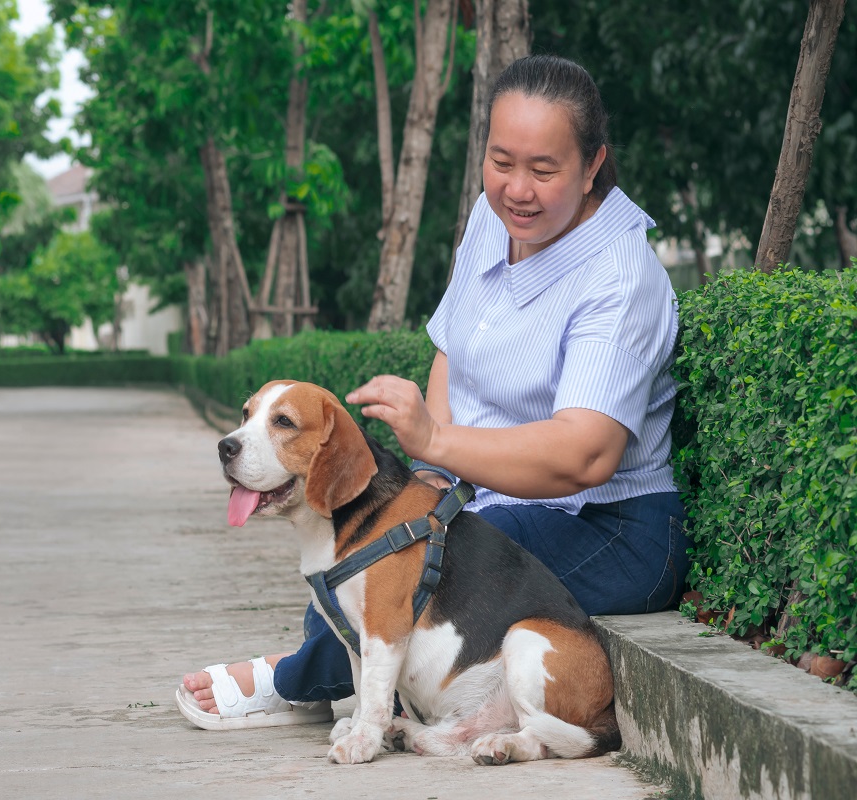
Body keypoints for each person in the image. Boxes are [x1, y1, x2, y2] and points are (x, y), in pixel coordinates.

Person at [177, 54, 689, 729]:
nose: (517, 189)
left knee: (424, 560)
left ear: (594, 164)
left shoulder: (620, 277)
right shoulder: (492, 218)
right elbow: (452, 347)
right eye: (501, 162)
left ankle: (291, 679)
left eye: (544, 169)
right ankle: (331, 674)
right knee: (376, 532)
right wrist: (427, 474)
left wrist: (437, 440)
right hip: (493, 494)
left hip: (609, 526)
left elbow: (583, 457)